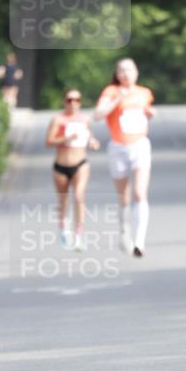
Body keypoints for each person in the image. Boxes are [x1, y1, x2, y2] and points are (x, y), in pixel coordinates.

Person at [94, 58, 155, 257]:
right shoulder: (110, 92)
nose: (126, 74)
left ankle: (139, 241)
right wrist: (116, 100)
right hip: (118, 147)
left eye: (129, 70)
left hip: (140, 145)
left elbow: (144, 111)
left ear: (136, 72)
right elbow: (97, 115)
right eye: (122, 70)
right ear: (117, 74)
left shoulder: (144, 92)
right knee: (124, 197)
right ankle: (124, 232)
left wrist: (149, 112)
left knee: (139, 193)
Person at [45, 89, 100, 250]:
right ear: (64, 102)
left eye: (76, 100)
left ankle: (78, 235)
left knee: (79, 197)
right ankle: (63, 230)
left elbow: (89, 135)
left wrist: (93, 141)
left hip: (80, 164)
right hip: (61, 166)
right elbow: (48, 142)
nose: (73, 103)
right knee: (63, 200)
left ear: (80, 102)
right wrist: (67, 138)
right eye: (69, 100)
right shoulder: (57, 120)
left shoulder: (85, 119)